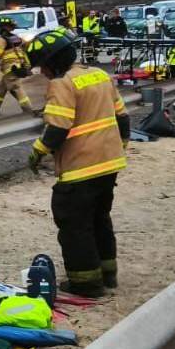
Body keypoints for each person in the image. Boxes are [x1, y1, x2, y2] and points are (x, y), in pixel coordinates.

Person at [24, 30, 130, 296]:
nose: (44, 72)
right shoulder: (100, 75)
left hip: (80, 168)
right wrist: (121, 146)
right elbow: (123, 117)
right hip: (109, 164)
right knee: (100, 219)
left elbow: (58, 129)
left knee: (74, 226)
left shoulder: (63, 83)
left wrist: (37, 152)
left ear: (53, 61)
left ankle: (86, 284)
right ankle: (108, 275)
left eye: (43, 66)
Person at [0, 16, 35, 116]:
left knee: (16, 87)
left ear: (2, 27)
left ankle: (28, 109)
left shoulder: (1, 39)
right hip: (19, 66)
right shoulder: (16, 38)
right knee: (2, 87)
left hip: (10, 68)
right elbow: (26, 46)